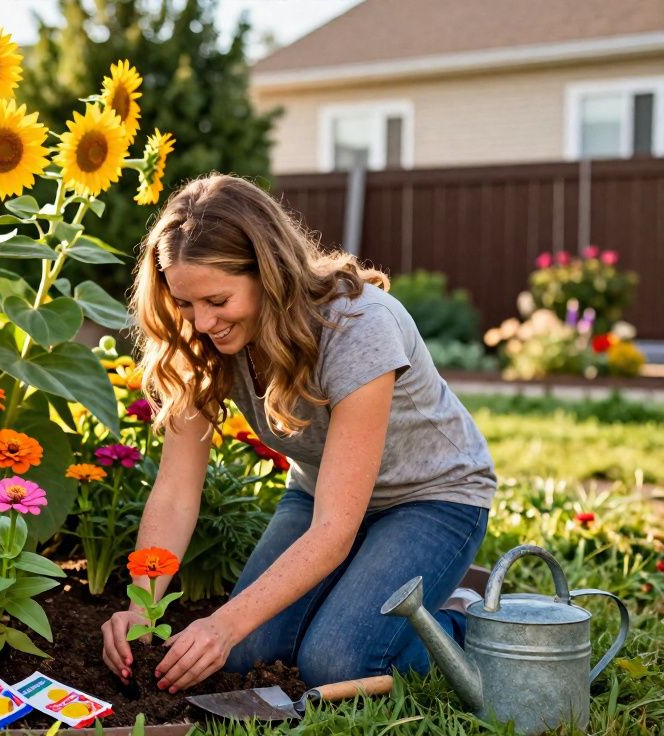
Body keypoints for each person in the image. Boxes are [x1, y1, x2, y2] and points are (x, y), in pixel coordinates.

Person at [101, 174, 495, 694]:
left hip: (431, 498)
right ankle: (371, 592)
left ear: (269, 274)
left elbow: (334, 530)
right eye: (186, 303)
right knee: (244, 654)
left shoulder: (358, 326)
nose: (202, 323)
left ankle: (472, 623)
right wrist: (141, 607)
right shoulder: (200, 341)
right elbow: (176, 490)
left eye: (217, 300)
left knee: (337, 662)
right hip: (320, 494)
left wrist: (223, 622)